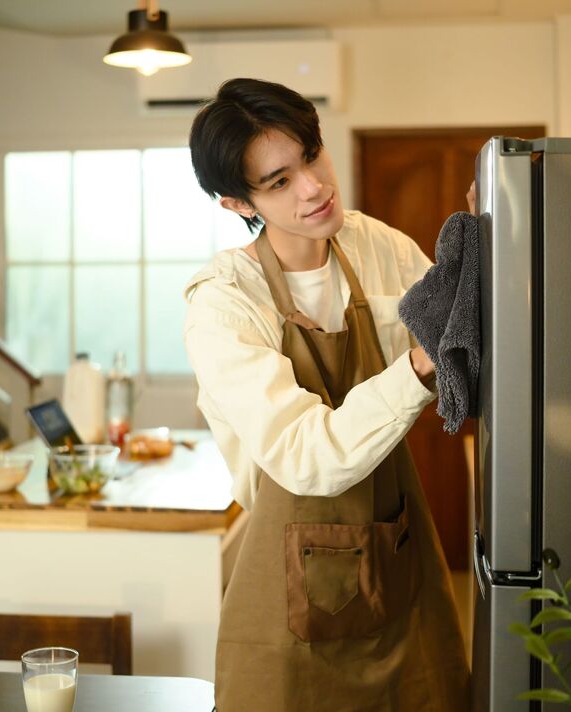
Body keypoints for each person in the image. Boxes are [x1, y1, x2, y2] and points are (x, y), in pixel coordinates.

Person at [183, 78, 470, 711]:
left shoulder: (375, 247)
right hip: (286, 595)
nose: (313, 186)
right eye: (279, 181)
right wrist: (419, 367)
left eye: (311, 154)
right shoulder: (225, 303)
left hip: (399, 559)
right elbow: (307, 456)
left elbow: (468, 330)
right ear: (236, 202)